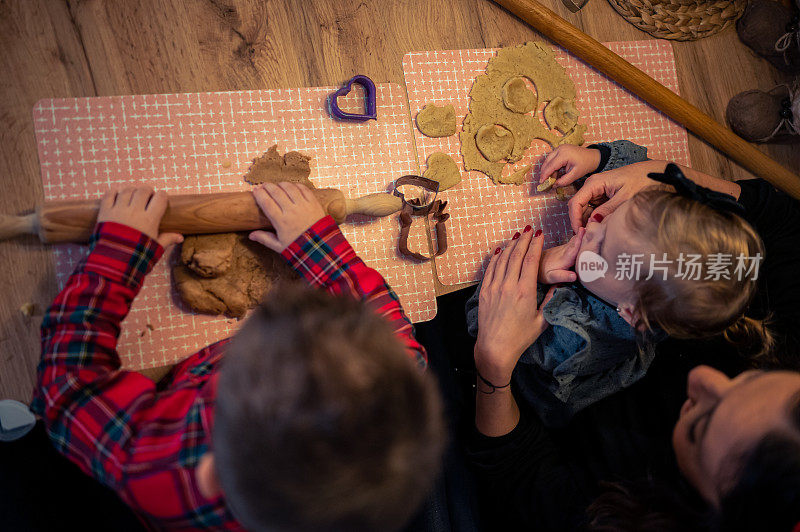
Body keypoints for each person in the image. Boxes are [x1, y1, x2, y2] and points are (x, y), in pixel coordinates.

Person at [31, 183, 446, 531]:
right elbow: (385, 324)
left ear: (211, 474)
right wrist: (315, 242)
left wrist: (117, 257)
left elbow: (66, 386)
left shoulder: (160, 467)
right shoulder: (397, 380)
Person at [463, 148, 800, 530]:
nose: (701, 378)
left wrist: (532, 279)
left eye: (701, 425)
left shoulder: (574, 340)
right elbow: (781, 220)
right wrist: (651, 174)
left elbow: (488, 322)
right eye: (751, 380)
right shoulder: (670, 292)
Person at [466, 141, 767, 426]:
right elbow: (642, 167)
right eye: (609, 219)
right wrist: (596, 159)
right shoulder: (646, 289)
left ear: (631, 313)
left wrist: (540, 268)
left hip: (523, 386)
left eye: (599, 250)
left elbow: (487, 322)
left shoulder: (575, 336)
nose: (591, 226)